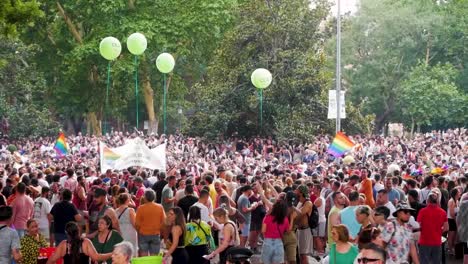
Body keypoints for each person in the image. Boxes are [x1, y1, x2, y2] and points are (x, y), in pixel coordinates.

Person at [46, 221, 111, 264]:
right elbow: (97, 257)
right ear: (78, 230)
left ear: (66, 233)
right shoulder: (86, 243)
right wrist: (112, 254)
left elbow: (50, 261)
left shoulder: (64, 245)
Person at [417, 192, 448, 264]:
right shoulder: (443, 212)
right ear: (437, 201)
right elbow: (446, 228)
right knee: (436, 262)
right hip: (437, 241)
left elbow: (418, 225)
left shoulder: (422, 211)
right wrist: (439, 232)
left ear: (428, 201)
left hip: (424, 241)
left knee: (424, 261)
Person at [135, 189, 165, 256]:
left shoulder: (140, 208)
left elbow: (137, 224)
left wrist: (139, 231)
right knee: (154, 256)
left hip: (143, 234)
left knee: (143, 254)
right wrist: (159, 230)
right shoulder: (160, 207)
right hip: (155, 233)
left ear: (145, 198)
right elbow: (164, 222)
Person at [261, 200, 289, 264]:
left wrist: (266, 237)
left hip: (267, 241)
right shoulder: (285, 219)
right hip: (279, 242)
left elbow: (263, 230)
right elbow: (287, 231)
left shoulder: (267, 217)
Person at [294, 184, 313, 264]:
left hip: (305, 231)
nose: (295, 191)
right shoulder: (299, 202)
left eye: (297, 190)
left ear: (301, 193)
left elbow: (300, 213)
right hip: (299, 230)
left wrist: (292, 207)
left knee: (303, 255)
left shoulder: (308, 203)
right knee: (300, 254)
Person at [447, 188, 460, 255]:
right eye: (458, 192)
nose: (460, 193)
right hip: (451, 220)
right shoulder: (451, 201)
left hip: (455, 219)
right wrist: (456, 221)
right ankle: (450, 250)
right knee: (451, 236)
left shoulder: (457, 201)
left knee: (454, 235)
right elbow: (452, 213)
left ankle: (452, 248)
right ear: (456, 193)